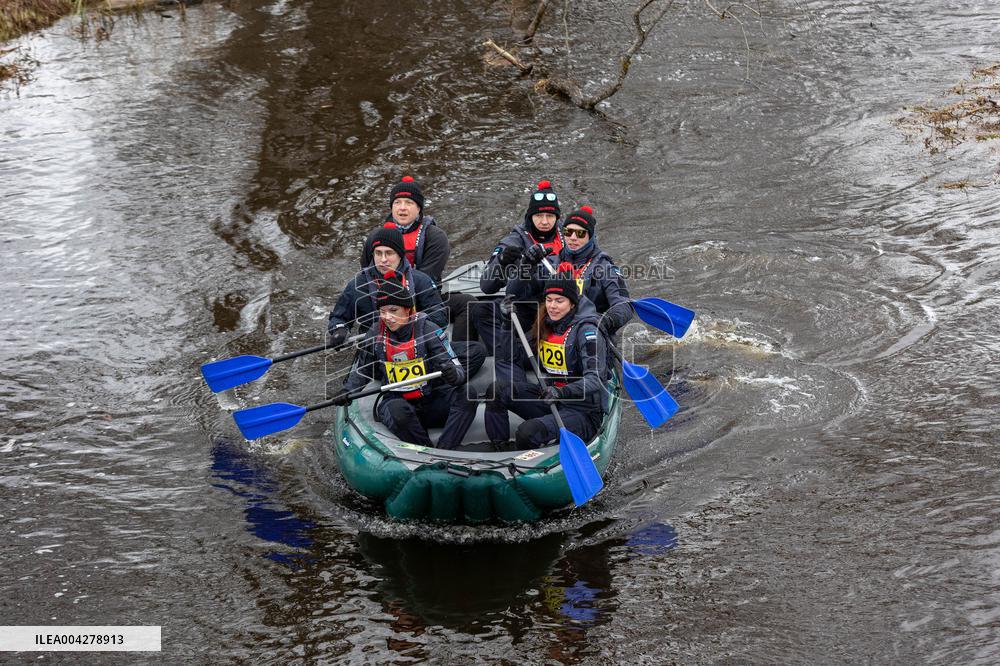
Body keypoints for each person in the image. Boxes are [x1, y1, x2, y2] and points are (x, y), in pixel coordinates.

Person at [330, 273, 479, 450]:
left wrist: (453, 375)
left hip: (430, 397)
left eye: (394, 311)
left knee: (467, 394)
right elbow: (363, 369)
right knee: (397, 411)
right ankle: (425, 451)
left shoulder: (429, 330)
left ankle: (446, 450)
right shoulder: (375, 333)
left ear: (407, 310)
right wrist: (347, 390)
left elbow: (458, 371)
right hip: (396, 400)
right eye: (383, 311)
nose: (388, 317)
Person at [484, 275, 609, 450]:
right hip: (551, 398)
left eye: (559, 301)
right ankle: (499, 451)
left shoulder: (587, 332)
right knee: (497, 390)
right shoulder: (546, 324)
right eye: (549, 300)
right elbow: (510, 356)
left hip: (583, 411)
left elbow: (595, 379)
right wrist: (506, 324)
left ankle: (524, 466)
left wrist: (561, 392)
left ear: (572, 303)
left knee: (527, 432)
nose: (552, 306)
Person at [359, 175, 477, 342]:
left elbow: (426, 279)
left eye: (409, 203)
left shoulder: (435, 237)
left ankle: (459, 352)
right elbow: (367, 272)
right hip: (385, 302)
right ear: (391, 207)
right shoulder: (376, 237)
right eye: (397, 203)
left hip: (423, 299)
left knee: (468, 303)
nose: (402, 208)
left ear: (419, 208)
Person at [509, 205, 633, 343]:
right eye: (568, 232)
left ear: (590, 237)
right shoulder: (549, 262)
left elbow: (624, 306)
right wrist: (526, 265)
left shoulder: (605, 268)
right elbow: (515, 295)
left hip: (588, 335)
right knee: (513, 352)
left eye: (580, 233)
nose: (573, 238)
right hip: (551, 332)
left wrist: (605, 322)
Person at [473, 179, 565, 350]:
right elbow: (486, 286)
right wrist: (501, 261)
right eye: (539, 216)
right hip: (526, 308)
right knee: (481, 310)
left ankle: (522, 351)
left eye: (550, 216)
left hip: (558, 308)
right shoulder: (516, 239)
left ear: (557, 218)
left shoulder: (570, 236)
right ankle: (504, 353)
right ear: (530, 216)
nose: (544, 222)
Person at [327, 227, 446, 343]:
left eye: (389, 253)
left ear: (400, 255)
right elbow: (338, 318)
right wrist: (339, 329)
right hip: (373, 345)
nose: (383, 260)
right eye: (378, 253)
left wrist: (410, 324)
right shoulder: (357, 285)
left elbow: (439, 318)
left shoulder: (421, 280)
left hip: (416, 342)